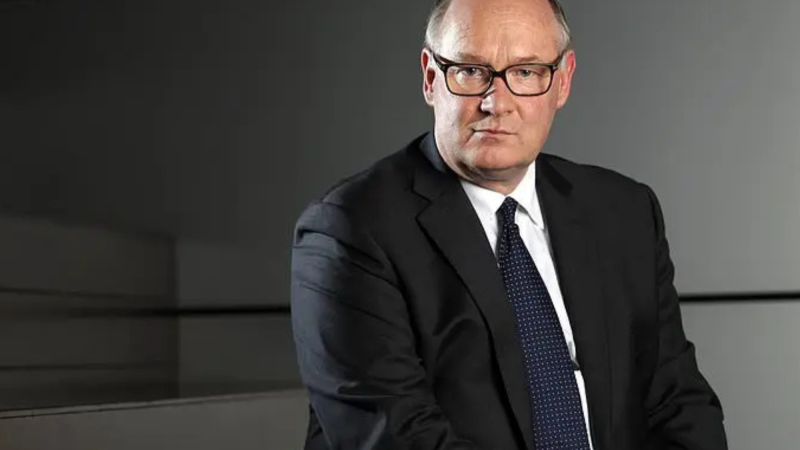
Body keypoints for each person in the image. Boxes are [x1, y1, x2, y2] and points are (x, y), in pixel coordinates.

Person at [290, 0, 728, 448]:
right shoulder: (349, 232)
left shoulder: (624, 213)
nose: (496, 103)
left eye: (526, 72)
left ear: (562, 82)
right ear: (430, 77)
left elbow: (678, 405)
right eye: (470, 71)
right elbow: (400, 436)